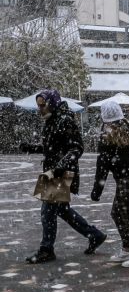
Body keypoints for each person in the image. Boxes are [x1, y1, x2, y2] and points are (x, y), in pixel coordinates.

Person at [19, 89, 106, 264]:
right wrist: (32, 148)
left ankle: (46, 249)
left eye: (43, 104)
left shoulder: (65, 120)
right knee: (61, 210)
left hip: (59, 173)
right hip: (52, 171)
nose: (40, 108)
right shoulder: (52, 119)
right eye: (39, 105)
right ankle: (94, 235)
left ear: (52, 103)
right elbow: (52, 147)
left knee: (47, 211)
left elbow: (76, 148)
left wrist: (60, 167)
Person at [90, 102, 129, 267]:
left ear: (105, 119)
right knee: (117, 214)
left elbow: (101, 167)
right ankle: (126, 250)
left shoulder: (107, 138)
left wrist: (97, 191)